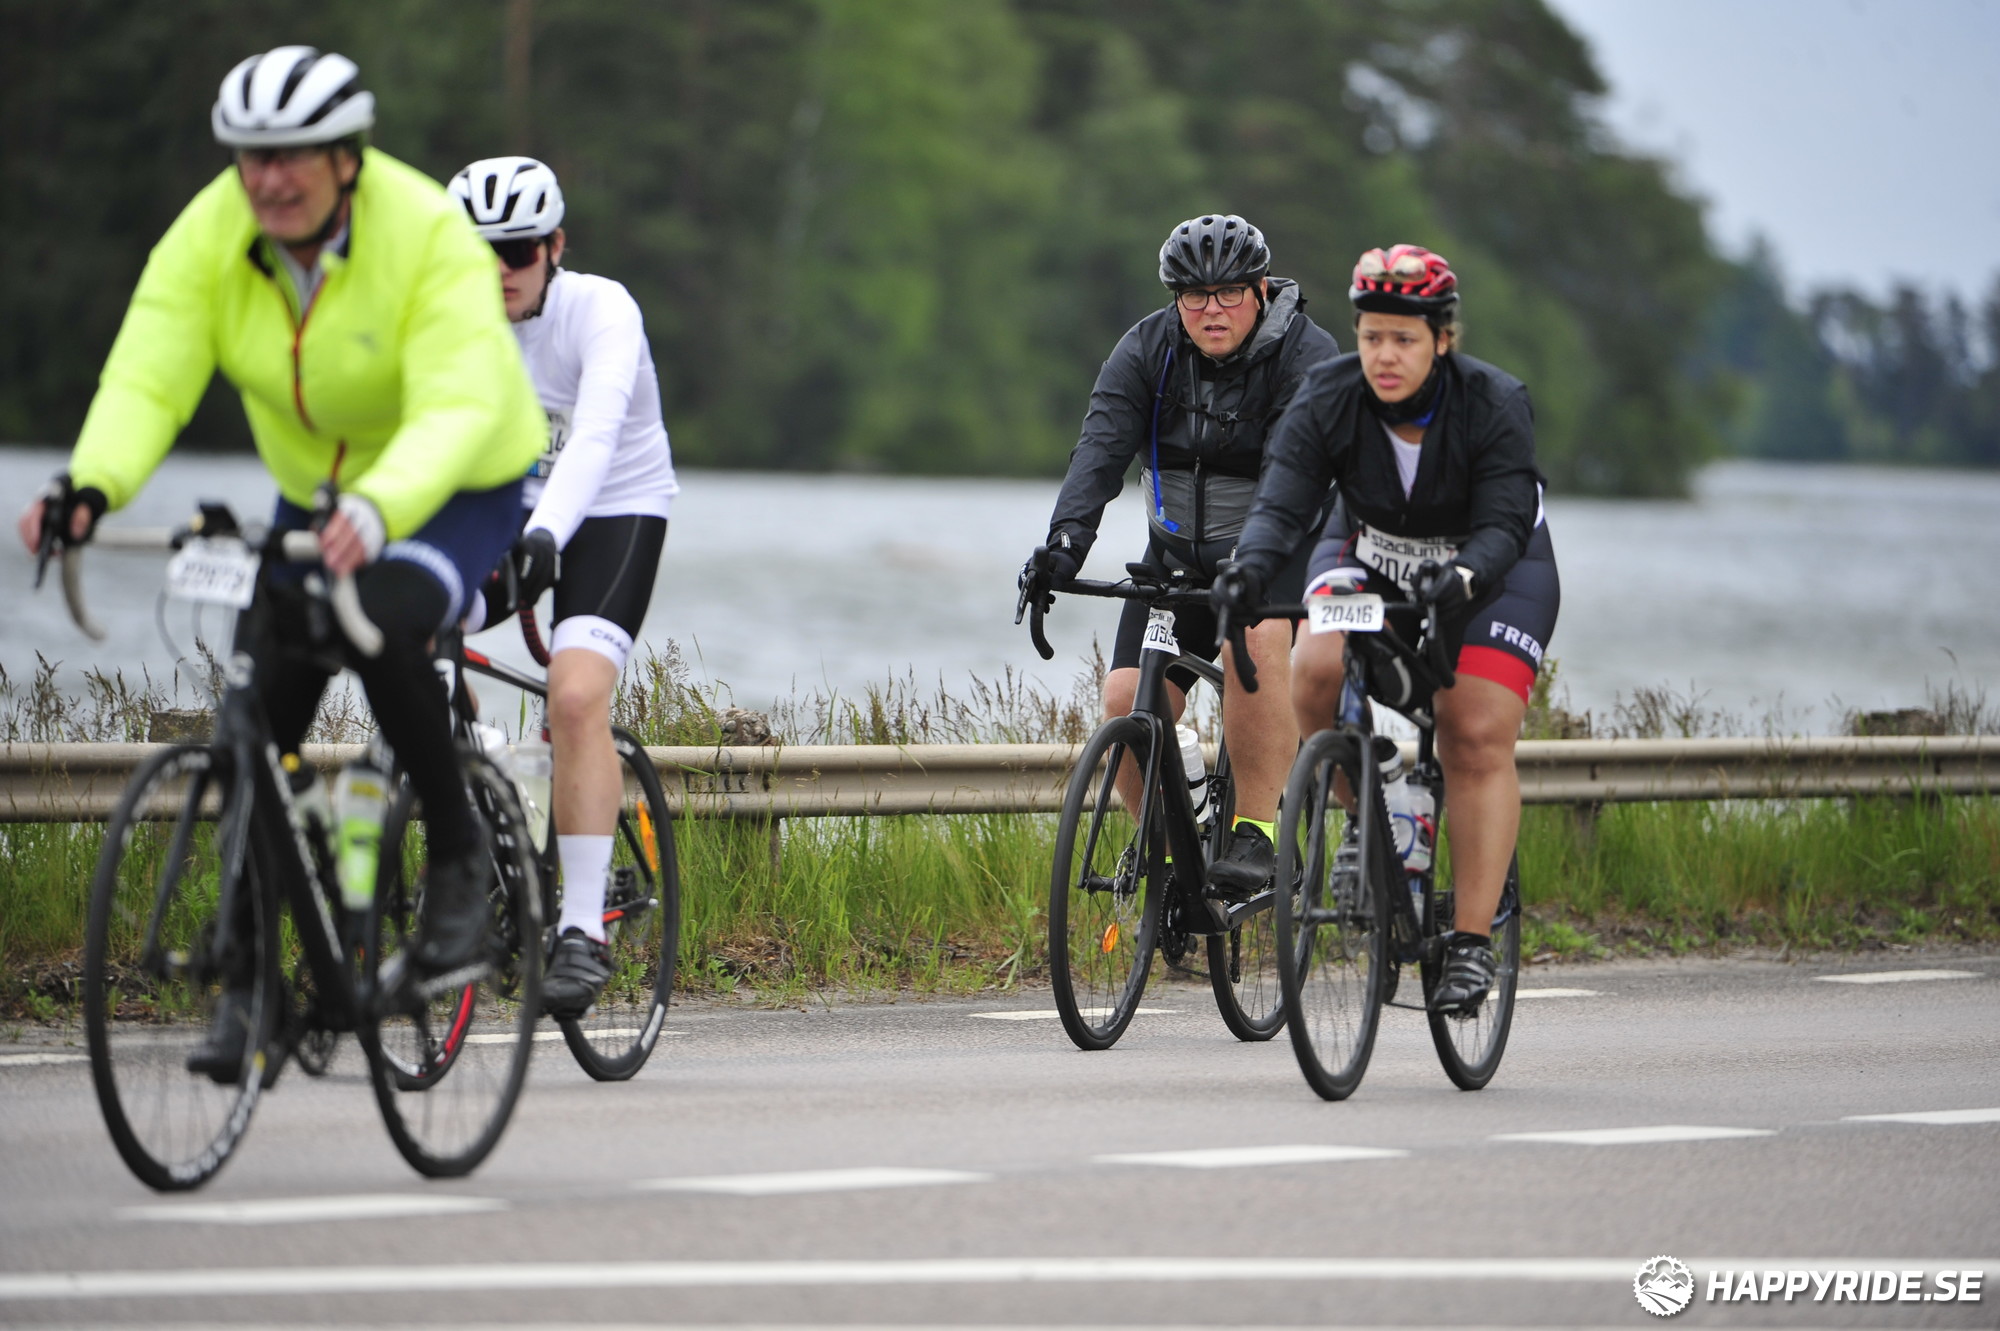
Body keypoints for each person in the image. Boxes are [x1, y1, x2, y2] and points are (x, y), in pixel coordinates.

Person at [17, 47, 545, 1071]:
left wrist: (385, 507)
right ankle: (250, 981)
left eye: (291, 155)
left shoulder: (423, 230)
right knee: (256, 721)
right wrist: (90, 486)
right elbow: (150, 372)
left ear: (347, 158)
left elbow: (458, 399)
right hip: (321, 491)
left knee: (382, 620)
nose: (266, 178)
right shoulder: (214, 233)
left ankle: (458, 862)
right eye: (249, 156)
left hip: (455, 480)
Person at [1218, 244, 1560, 1010]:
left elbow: (1505, 522)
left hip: (1492, 569)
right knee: (1315, 672)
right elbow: (1282, 501)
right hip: (1370, 548)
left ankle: (1469, 944)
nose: (1384, 354)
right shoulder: (1330, 394)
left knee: (1470, 730)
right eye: (1372, 336)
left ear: (1443, 339)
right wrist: (1249, 569)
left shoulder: (1493, 401)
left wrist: (1463, 577)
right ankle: (1371, 816)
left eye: (1404, 338)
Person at [1021, 214, 1339, 898]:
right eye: (1195, 295)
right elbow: (1100, 450)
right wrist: (1063, 547)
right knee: (1123, 700)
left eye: (1228, 293)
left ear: (1260, 290)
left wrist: (1253, 563)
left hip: (1279, 551)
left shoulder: (1306, 356)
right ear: (1176, 297)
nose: (1211, 310)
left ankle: (1256, 832)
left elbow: (1293, 476)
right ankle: (1176, 851)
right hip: (1176, 555)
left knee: (1252, 639)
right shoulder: (1146, 349)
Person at [450, 156, 678, 1018]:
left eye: (515, 251)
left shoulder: (602, 309)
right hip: (507, 502)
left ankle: (583, 926)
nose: (497, 271)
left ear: (555, 246)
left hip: (616, 504)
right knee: (413, 637)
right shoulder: (448, 320)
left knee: (576, 693)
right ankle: (480, 824)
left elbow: (594, 437)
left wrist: (547, 534)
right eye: (476, 253)